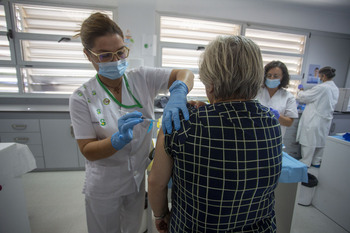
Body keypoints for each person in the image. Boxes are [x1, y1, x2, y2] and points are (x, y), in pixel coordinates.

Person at [69, 12, 194, 233]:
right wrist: (115, 141)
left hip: (137, 180)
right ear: (88, 55)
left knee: (134, 229)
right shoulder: (81, 97)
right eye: (105, 55)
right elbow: (87, 149)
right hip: (104, 185)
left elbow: (185, 73)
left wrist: (179, 90)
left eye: (120, 52)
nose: (117, 61)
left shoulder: (141, 78)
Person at [148, 36, 282, 232]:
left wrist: (161, 216)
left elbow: (156, 183)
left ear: (210, 84)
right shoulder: (271, 121)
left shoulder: (181, 123)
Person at [296, 66, 339, 167]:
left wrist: (301, 90)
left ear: (323, 76)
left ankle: (306, 162)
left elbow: (304, 97)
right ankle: (316, 161)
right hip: (325, 119)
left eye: (319, 76)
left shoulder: (322, 87)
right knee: (320, 142)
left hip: (314, 119)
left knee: (308, 141)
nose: (319, 78)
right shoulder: (335, 88)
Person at [255, 61, 298, 140]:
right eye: (269, 75)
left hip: (275, 139)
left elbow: (289, 122)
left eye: (275, 76)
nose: (271, 78)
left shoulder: (288, 97)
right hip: (255, 136)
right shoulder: (255, 92)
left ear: (282, 77)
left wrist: (277, 116)